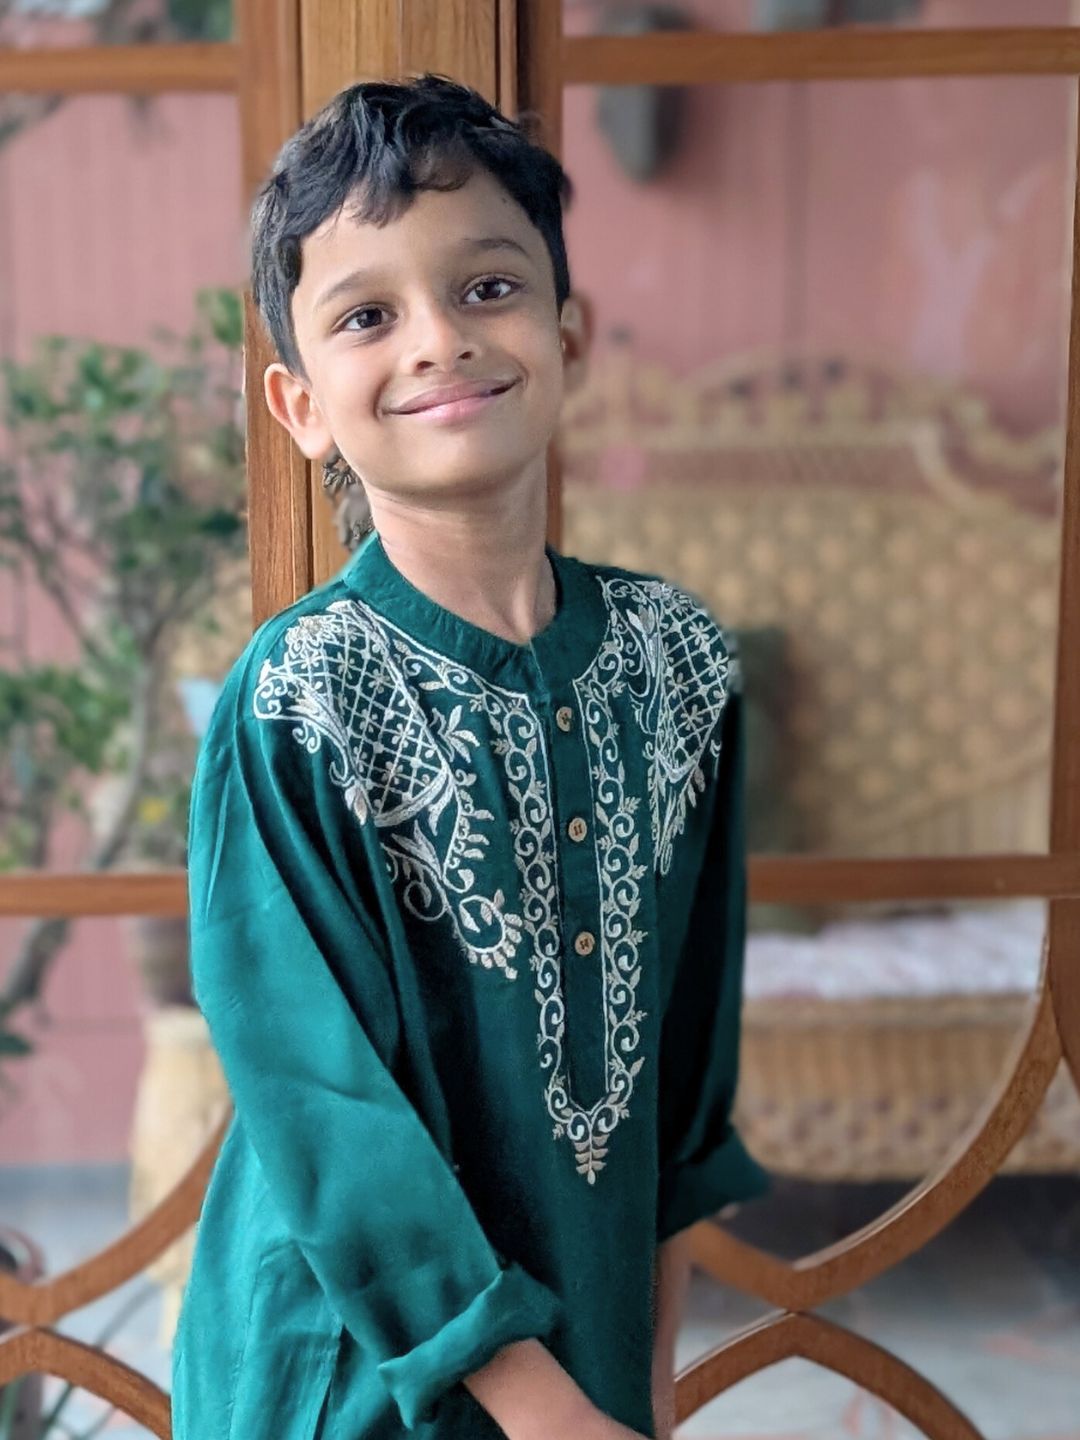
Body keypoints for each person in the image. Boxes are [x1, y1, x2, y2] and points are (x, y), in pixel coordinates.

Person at [171, 72, 770, 1440]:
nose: (439, 339)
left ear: (570, 334)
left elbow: (687, 1078)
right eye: (367, 315)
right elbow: (327, 1118)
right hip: (335, 1383)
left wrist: (643, 1382)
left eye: (489, 287)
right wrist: (543, 1414)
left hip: (593, 1366)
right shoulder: (299, 698)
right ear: (302, 403)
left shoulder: (680, 666)